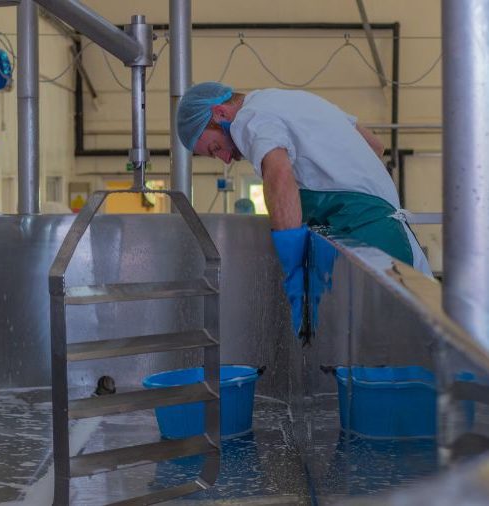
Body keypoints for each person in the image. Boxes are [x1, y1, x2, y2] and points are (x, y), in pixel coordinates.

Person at [177, 82, 432, 335]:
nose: (225, 159)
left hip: (371, 239)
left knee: (387, 347)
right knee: (420, 341)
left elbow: (278, 174)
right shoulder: (295, 101)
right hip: (392, 233)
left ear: (220, 113)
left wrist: (292, 264)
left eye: (216, 148)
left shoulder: (248, 118)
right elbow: (375, 145)